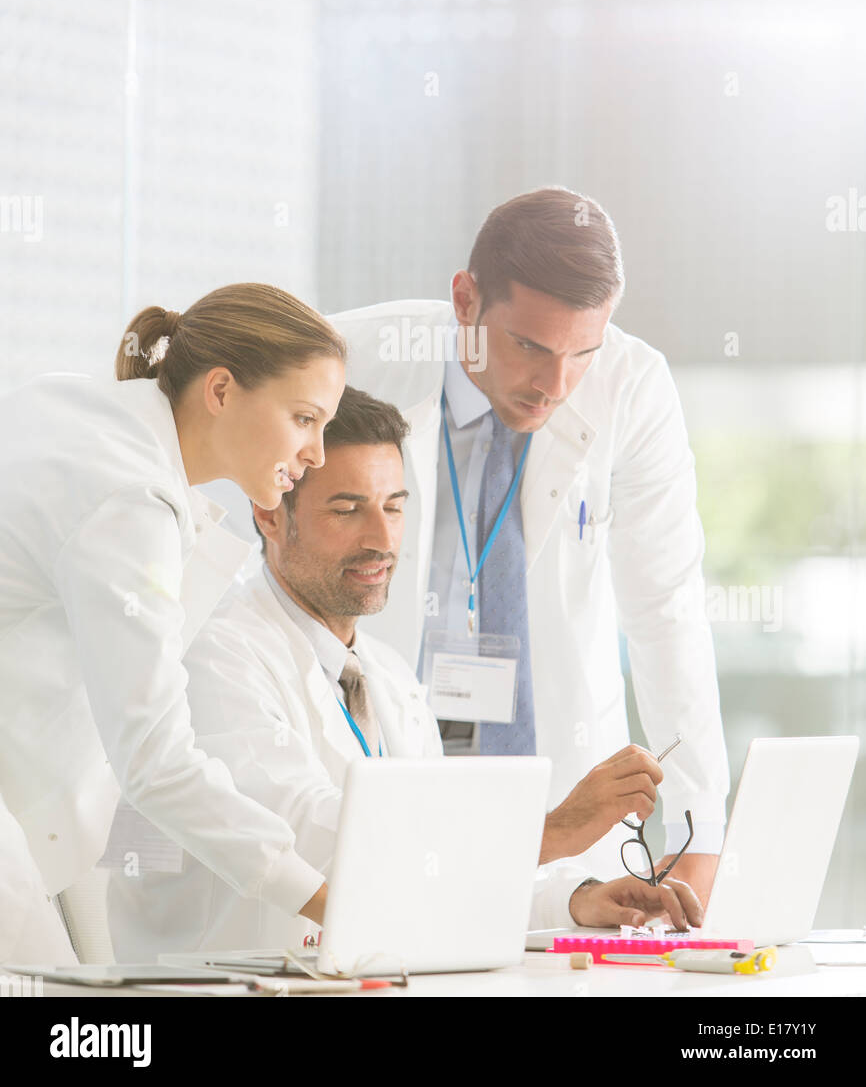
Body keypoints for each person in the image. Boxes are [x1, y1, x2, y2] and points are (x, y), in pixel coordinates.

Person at [109, 386, 703, 960]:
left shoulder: (387, 677)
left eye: (393, 507)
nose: (381, 539)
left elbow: (432, 876)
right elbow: (316, 836)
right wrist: (548, 832)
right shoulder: (212, 653)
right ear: (269, 514)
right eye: (347, 509)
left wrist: (576, 902)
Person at [328, 189, 729, 902]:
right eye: (529, 348)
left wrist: (698, 831)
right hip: (376, 766)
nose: (555, 386)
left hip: (565, 796)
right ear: (464, 300)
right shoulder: (345, 363)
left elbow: (666, 609)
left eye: (583, 353)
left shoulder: (631, 388)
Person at [0, 282, 345, 960]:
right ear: (220, 391)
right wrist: (332, 900)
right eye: (305, 418)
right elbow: (156, 764)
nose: (318, 454)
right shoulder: (130, 499)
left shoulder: (80, 410)